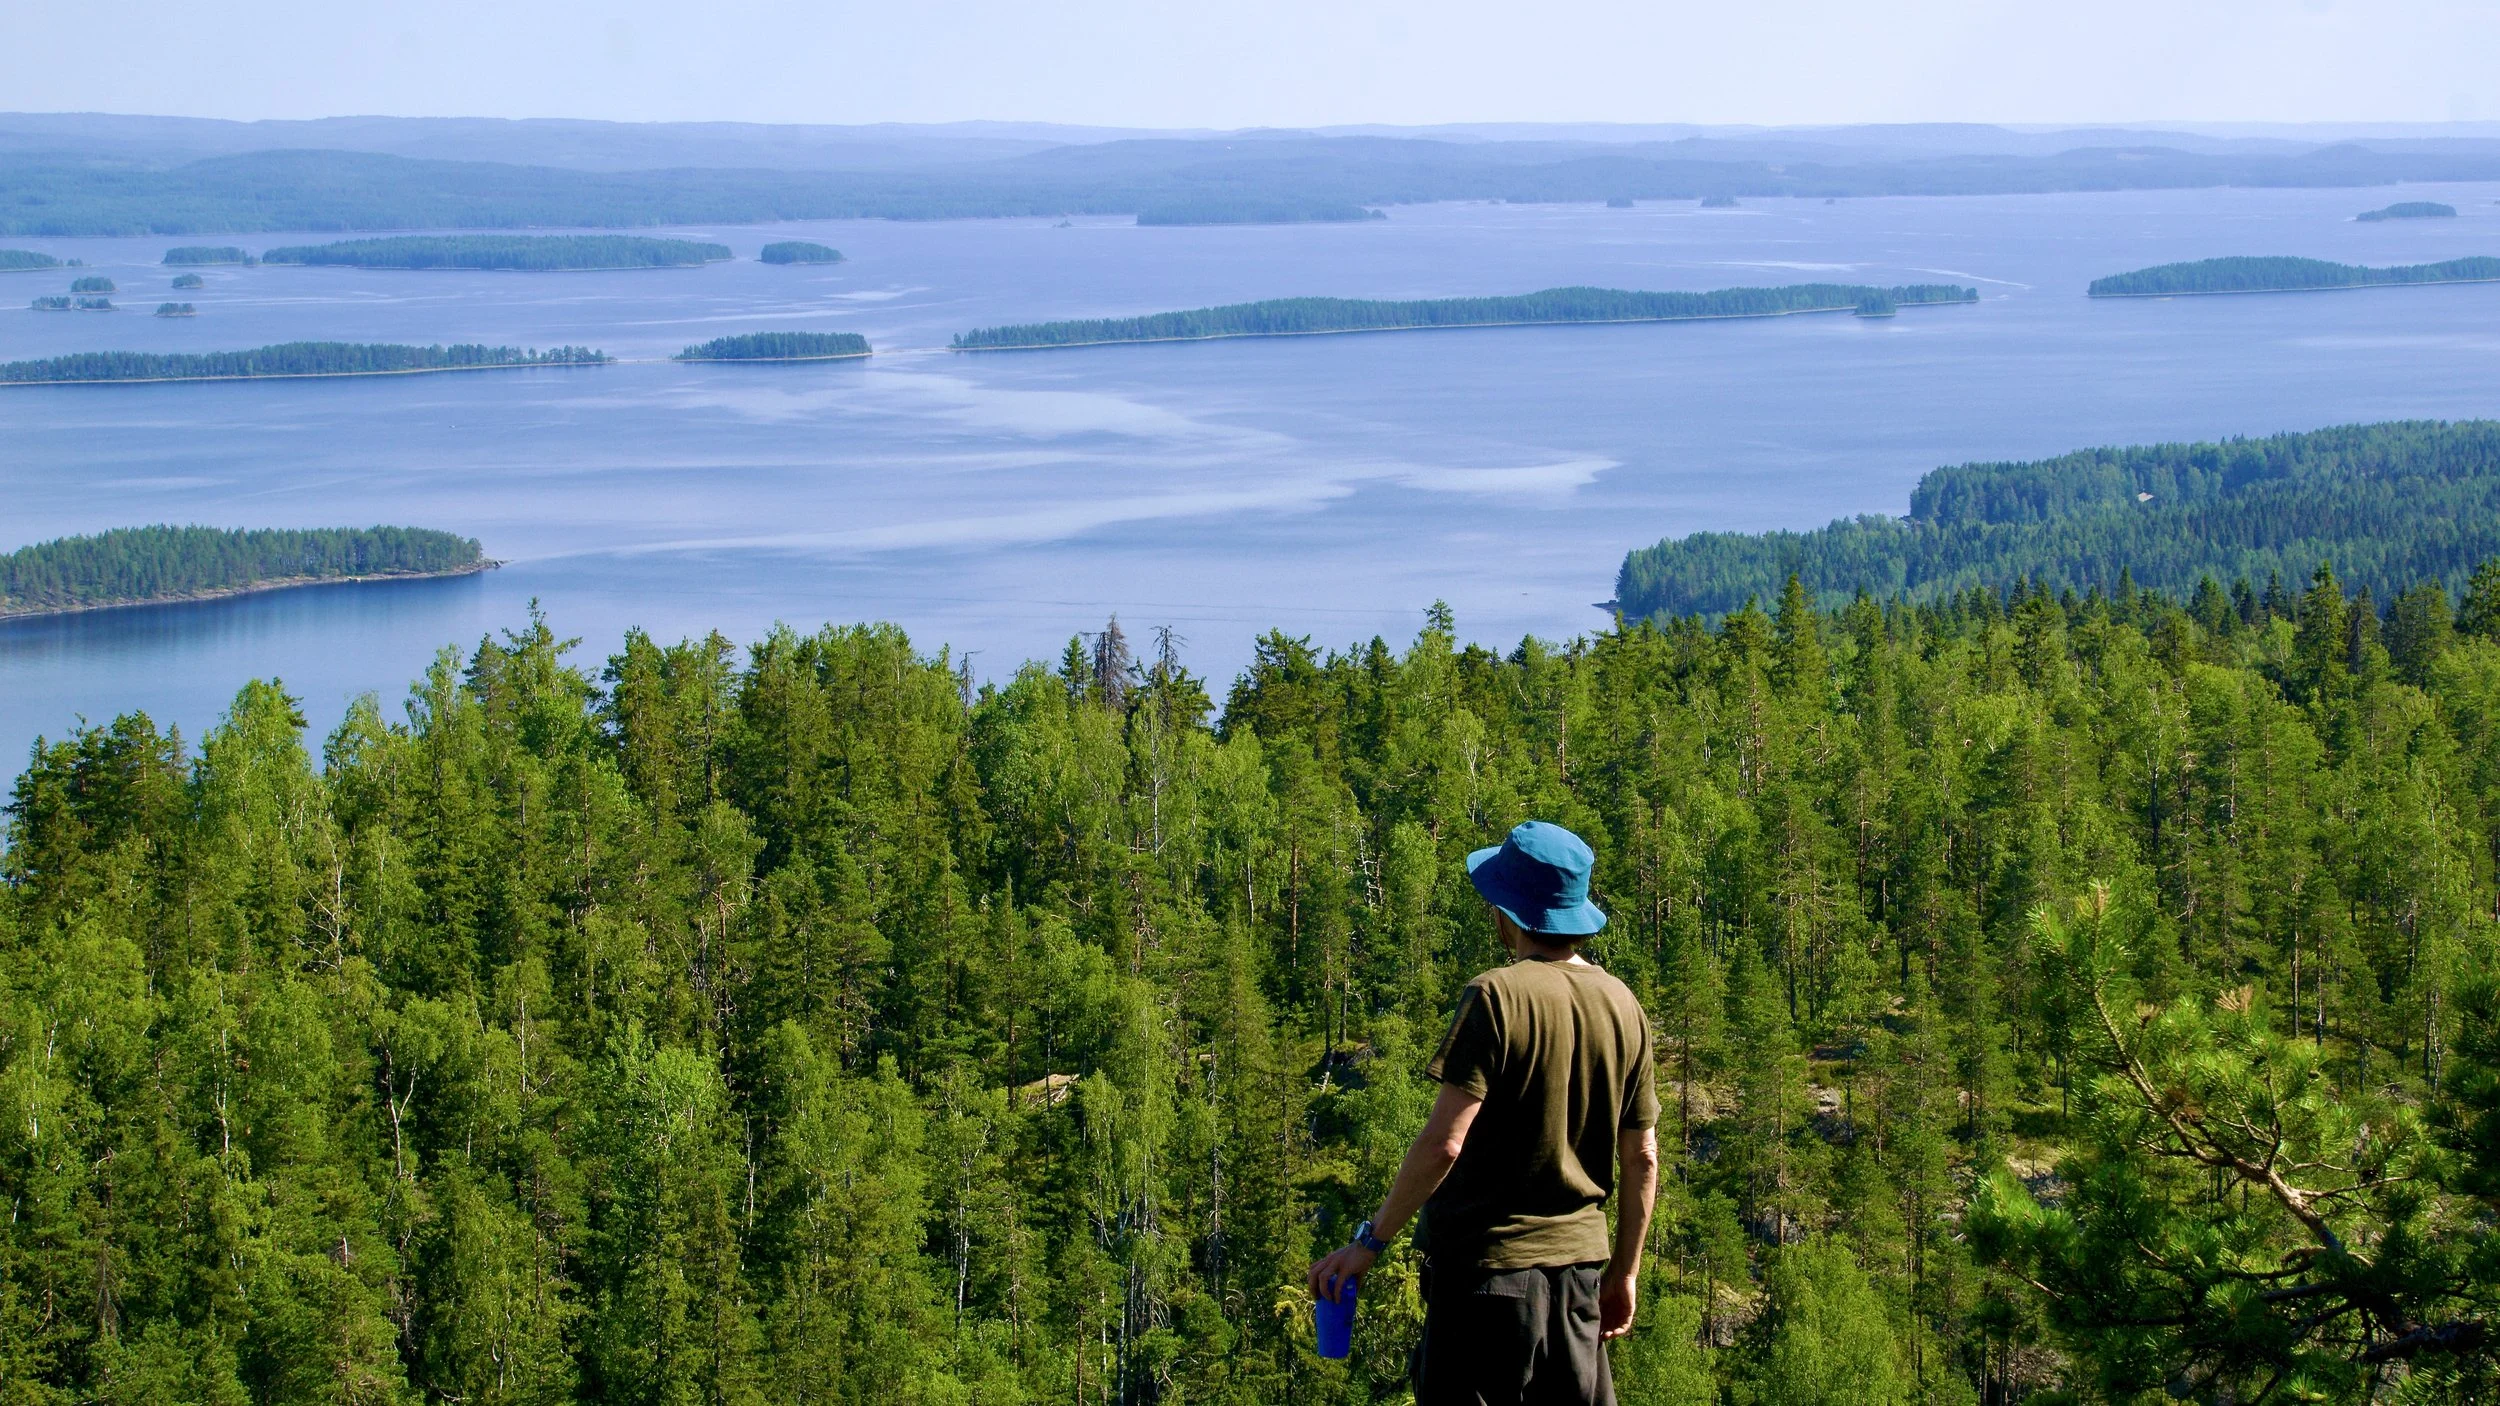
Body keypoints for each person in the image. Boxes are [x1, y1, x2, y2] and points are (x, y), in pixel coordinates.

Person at [1307, 820, 1659, 1405]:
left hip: (1485, 1285)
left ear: (1507, 913)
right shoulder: (1625, 1006)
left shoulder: (1495, 996)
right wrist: (1625, 1274)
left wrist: (1369, 1242)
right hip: (1581, 1285)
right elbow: (1642, 1158)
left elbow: (1446, 1143)